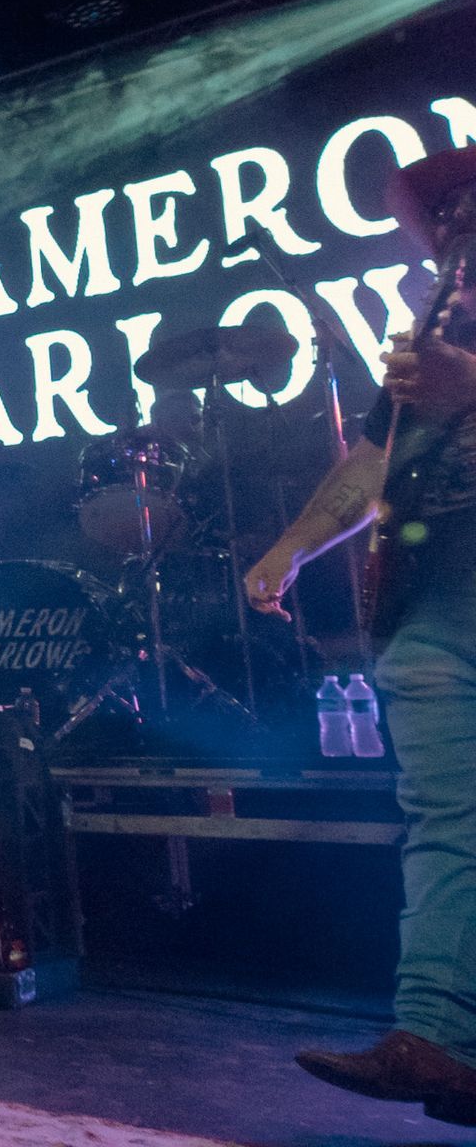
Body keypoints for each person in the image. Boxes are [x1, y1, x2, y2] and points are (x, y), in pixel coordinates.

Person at [245, 146, 476, 1128]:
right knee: (449, 820)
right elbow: (376, 458)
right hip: (426, 596)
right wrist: (292, 547)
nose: (455, 223)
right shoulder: (441, 323)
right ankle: (437, 1039)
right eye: (454, 216)